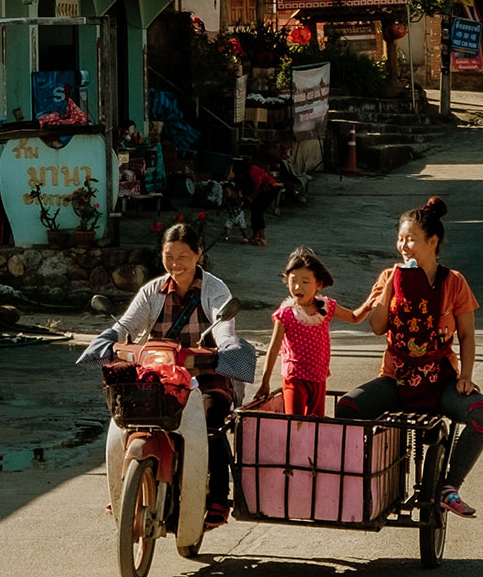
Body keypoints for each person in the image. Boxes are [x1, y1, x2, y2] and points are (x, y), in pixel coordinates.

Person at [85, 222, 248, 526]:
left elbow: (224, 327)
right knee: (126, 413)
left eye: (183, 257)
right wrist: (110, 339)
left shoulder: (215, 289)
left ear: (198, 254)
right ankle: (123, 488)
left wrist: (226, 347)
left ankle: (216, 497)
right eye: (169, 256)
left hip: (205, 371)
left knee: (212, 418)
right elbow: (127, 324)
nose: (175, 264)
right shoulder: (152, 290)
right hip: (159, 373)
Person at [341, 196, 483, 519]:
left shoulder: (454, 282)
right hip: (395, 380)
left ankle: (449, 486)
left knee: (482, 414)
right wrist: (389, 288)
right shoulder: (388, 277)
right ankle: (363, 482)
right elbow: (377, 327)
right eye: (400, 238)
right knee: (347, 408)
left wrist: (465, 375)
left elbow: (466, 335)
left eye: (410, 239)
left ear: (432, 241)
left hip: (441, 383)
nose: (403, 246)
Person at [256, 247, 356, 417]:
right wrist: (264, 382)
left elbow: (354, 317)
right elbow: (273, 349)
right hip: (294, 378)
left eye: (305, 282)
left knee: (316, 425)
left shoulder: (326, 306)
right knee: (295, 424)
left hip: (318, 378)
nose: (297, 286)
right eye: (293, 280)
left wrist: (373, 302)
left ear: (318, 284)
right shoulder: (286, 314)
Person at [241, 154, 280, 248]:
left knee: (258, 210)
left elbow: (256, 188)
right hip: (261, 190)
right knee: (254, 210)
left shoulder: (253, 171)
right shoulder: (243, 172)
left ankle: (262, 237)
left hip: (269, 189)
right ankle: (255, 235)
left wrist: (250, 197)